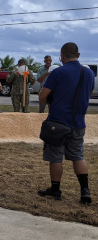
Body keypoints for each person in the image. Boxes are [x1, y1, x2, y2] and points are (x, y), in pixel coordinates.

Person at [38, 42, 95, 204]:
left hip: (57, 122)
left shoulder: (58, 72)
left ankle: (55, 190)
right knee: (78, 156)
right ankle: (85, 191)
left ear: (62, 56)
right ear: (78, 55)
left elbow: (43, 96)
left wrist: (53, 103)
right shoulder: (89, 73)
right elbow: (89, 93)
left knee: (55, 157)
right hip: (78, 122)